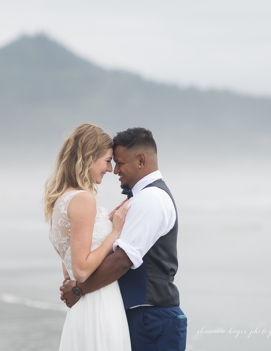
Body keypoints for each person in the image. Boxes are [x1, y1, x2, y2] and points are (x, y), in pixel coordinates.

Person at [61, 127, 187, 351]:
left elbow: (123, 260)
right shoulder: (142, 198)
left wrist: (79, 289)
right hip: (144, 316)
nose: (114, 170)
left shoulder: (151, 199)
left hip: (152, 318)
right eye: (112, 162)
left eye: (119, 163)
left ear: (141, 160)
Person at [46, 123, 131, 350]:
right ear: (89, 158)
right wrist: (114, 233)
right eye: (107, 160)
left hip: (84, 307)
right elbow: (81, 270)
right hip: (99, 302)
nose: (110, 168)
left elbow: (68, 269)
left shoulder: (61, 200)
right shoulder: (84, 199)